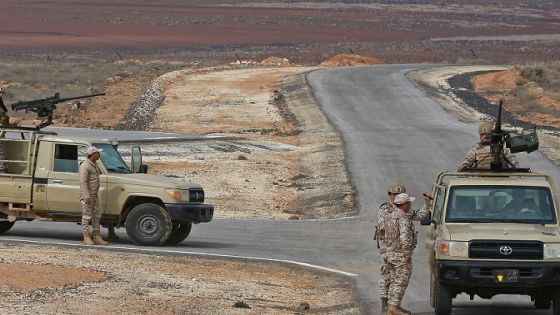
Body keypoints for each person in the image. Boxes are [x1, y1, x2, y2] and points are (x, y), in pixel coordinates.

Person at [375, 184, 431, 314]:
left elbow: (419, 216)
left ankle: (393, 306)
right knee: (388, 278)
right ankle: (386, 306)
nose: (395, 196)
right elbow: (383, 228)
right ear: (389, 195)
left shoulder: (405, 210)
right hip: (389, 249)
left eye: (398, 194)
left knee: (396, 278)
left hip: (396, 250)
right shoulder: (386, 209)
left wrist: (427, 205)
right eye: (394, 194)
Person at [79, 146, 108, 246]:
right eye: (97, 153)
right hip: (87, 196)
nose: (99, 154)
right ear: (92, 154)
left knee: (97, 215)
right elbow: (83, 182)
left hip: (94, 195)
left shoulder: (95, 164)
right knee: (87, 217)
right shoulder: (85, 166)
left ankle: (96, 236)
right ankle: (86, 236)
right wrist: (86, 196)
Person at [106, 137, 120, 240]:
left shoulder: (116, 155)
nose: (115, 147)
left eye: (116, 146)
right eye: (113, 146)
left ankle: (111, 232)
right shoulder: (103, 155)